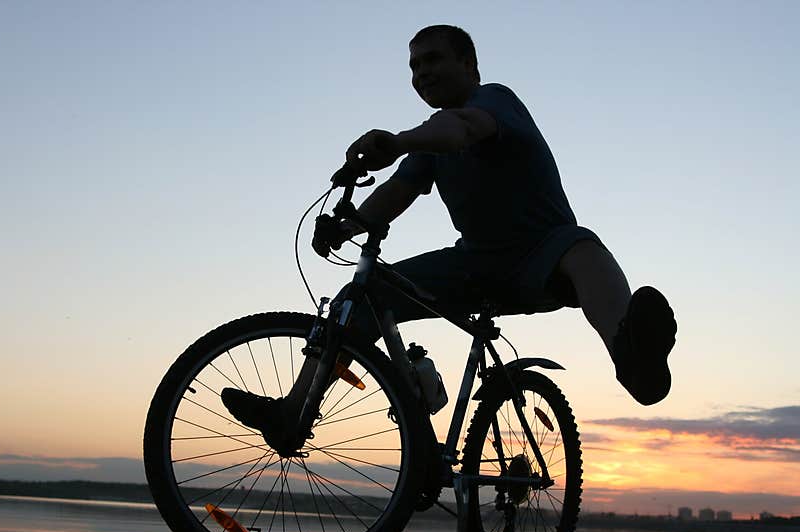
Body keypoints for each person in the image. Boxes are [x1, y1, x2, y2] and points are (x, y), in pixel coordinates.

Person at [221, 24, 677, 435]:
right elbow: (398, 191)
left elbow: (462, 129)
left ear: (469, 65)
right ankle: (293, 414)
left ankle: (632, 357)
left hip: (544, 255)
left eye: (433, 59)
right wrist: (343, 227)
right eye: (414, 66)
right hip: (474, 262)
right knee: (360, 296)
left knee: (585, 248)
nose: (422, 73)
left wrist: (396, 142)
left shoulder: (494, 100)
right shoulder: (428, 140)